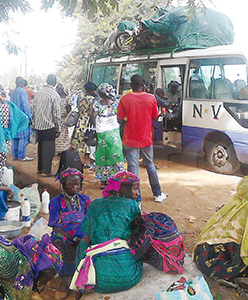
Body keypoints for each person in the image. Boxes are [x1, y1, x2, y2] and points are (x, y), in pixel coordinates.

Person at [70, 171, 143, 294]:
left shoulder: (95, 204)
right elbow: (138, 235)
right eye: (135, 189)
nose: (138, 193)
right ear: (123, 190)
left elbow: (86, 239)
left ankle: (81, 279)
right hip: (129, 277)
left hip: (97, 282)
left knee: (82, 245)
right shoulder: (133, 205)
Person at [117, 74, 167, 203]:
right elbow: (155, 116)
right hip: (146, 138)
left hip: (130, 138)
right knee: (150, 165)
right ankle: (157, 194)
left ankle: (136, 199)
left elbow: (120, 119)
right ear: (143, 85)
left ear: (130, 85)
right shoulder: (151, 98)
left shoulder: (124, 99)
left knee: (133, 169)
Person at [48, 168, 91, 299]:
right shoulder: (55, 202)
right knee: (59, 239)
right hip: (65, 235)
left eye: (77, 184)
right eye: (70, 184)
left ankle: (81, 281)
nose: (74, 187)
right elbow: (56, 227)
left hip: (83, 235)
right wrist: (71, 237)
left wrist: (84, 237)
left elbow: (91, 221)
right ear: (63, 185)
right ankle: (66, 280)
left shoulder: (85, 200)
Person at [93, 83, 125, 189]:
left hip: (101, 133)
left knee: (103, 156)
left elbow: (92, 117)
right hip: (114, 133)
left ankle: (103, 181)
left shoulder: (97, 104)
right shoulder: (116, 104)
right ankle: (117, 178)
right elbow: (121, 118)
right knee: (116, 155)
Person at [32, 74, 62, 177]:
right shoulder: (54, 95)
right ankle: (46, 171)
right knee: (48, 149)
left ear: (46, 80)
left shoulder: (38, 93)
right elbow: (56, 114)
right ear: (55, 83)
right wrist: (58, 128)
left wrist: (34, 123)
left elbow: (33, 109)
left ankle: (40, 169)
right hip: (49, 126)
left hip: (38, 125)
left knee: (41, 147)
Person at [71, 82, 97, 168]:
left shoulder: (80, 97)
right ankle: (87, 161)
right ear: (92, 90)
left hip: (79, 121)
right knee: (87, 141)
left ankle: (79, 161)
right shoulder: (92, 100)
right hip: (87, 122)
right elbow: (92, 113)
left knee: (79, 142)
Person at [10, 76, 33, 161]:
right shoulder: (22, 92)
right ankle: (22, 155)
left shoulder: (12, 92)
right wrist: (29, 118)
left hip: (14, 117)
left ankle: (15, 155)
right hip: (22, 117)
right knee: (23, 136)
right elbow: (25, 105)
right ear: (22, 83)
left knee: (15, 136)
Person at [55, 83, 71, 154]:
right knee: (62, 135)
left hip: (60, 119)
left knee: (59, 135)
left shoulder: (55, 97)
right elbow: (69, 109)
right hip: (62, 119)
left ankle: (60, 150)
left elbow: (69, 109)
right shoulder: (66, 98)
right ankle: (62, 150)